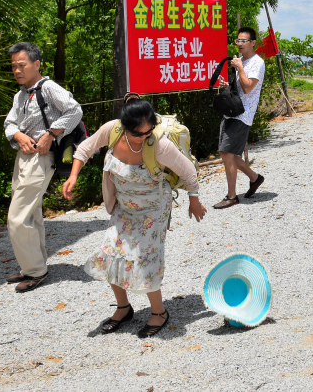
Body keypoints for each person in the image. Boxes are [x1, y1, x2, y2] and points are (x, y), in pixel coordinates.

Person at [63, 96, 207, 337]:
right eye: (139, 133)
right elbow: (86, 148)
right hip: (124, 207)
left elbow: (188, 171)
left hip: (153, 209)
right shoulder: (112, 130)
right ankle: (123, 308)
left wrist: (194, 200)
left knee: (144, 258)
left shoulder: (158, 144)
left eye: (149, 131)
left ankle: (159, 313)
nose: (145, 136)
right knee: (110, 254)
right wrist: (73, 175)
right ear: (125, 128)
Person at [3, 42, 83, 293]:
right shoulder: (20, 94)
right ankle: (33, 267)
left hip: (41, 157)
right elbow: (8, 124)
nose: (17, 70)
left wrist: (50, 134)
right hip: (23, 158)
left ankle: (36, 271)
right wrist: (18, 136)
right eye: (14, 66)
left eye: (21, 65)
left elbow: (74, 111)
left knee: (17, 218)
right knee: (32, 213)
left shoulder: (47, 88)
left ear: (36, 64)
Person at [213, 26, 266, 209]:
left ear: (253, 43)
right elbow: (240, 87)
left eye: (244, 41)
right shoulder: (242, 61)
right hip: (232, 111)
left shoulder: (256, 63)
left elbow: (248, 87)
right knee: (225, 152)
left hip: (243, 114)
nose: (240, 44)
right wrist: (227, 84)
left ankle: (232, 196)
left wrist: (240, 68)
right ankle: (254, 178)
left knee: (227, 153)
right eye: (238, 41)